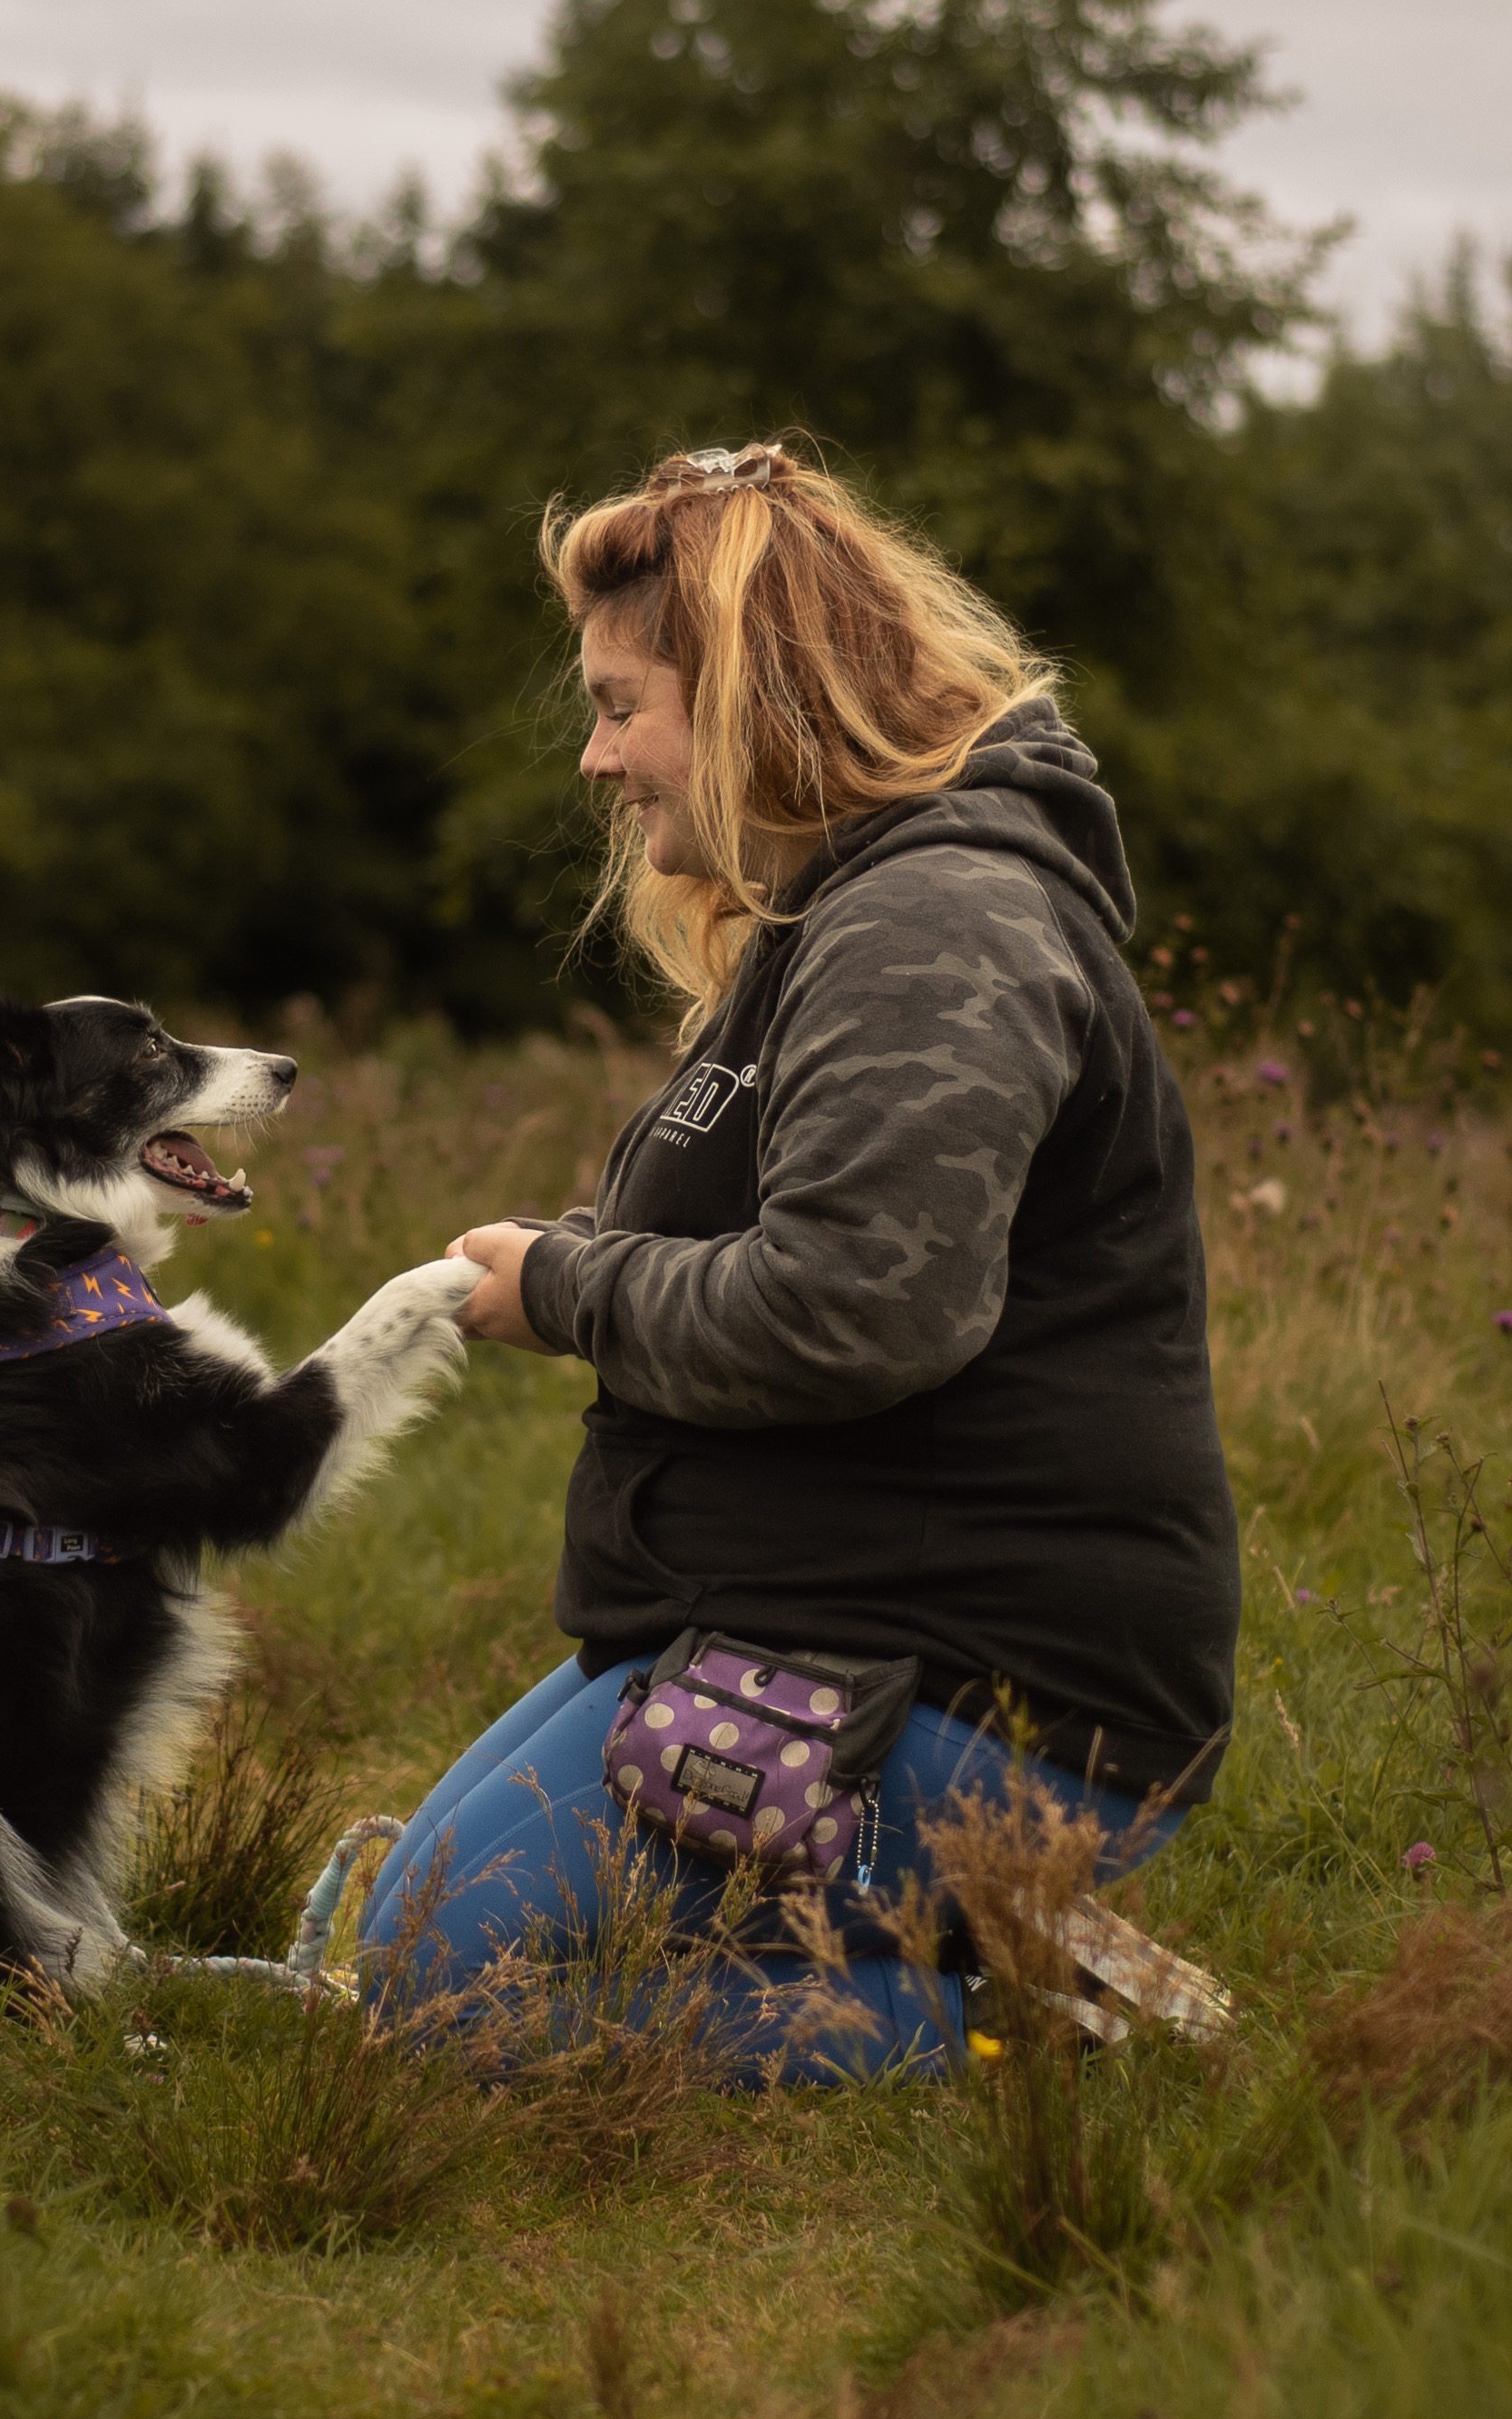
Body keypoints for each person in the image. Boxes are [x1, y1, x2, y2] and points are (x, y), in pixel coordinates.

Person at [368, 441, 1241, 2080]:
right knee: (416, 1932)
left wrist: (563, 1289)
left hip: (989, 1687)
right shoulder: (844, 919)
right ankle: (983, 1944)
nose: (594, 756)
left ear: (756, 697)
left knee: (440, 1997)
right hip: (815, 1623)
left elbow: (859, 1308)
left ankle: (996, 2014)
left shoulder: (934, 927)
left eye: (625, 704)